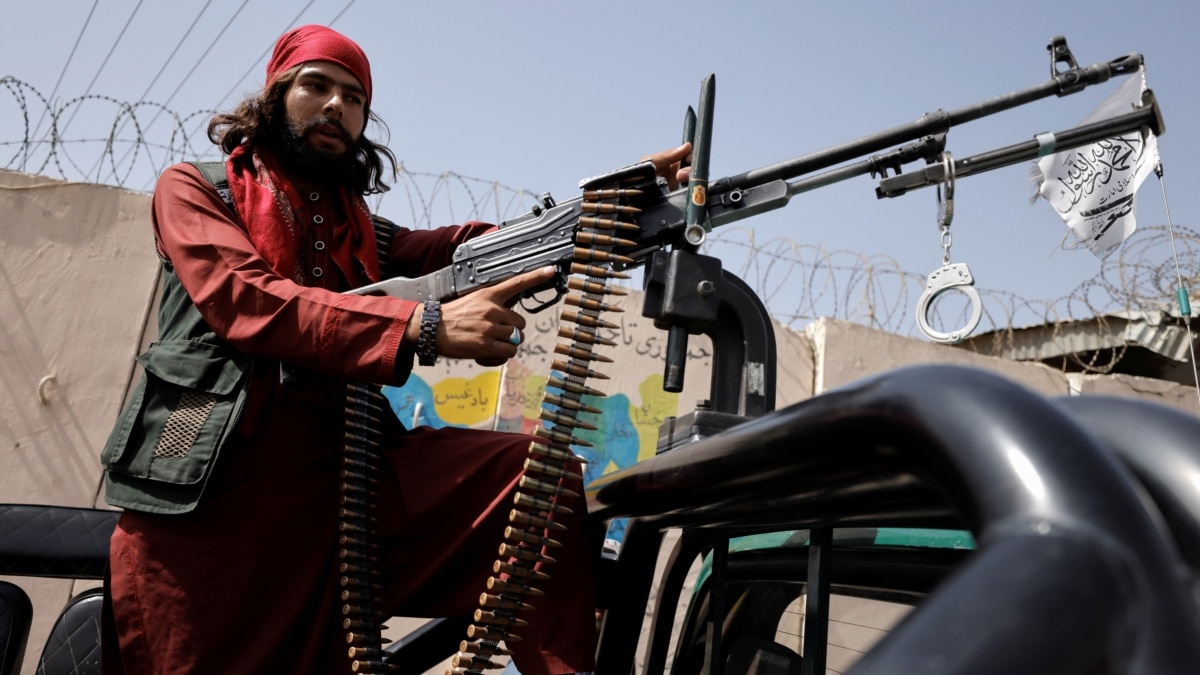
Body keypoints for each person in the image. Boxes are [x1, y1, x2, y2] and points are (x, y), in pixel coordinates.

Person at [98, 24, 690, 675]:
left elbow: (471, 249)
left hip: (346, 487)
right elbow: (249, 300)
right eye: (316, 86)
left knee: (534, 480)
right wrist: (421, 327)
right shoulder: (196, 191)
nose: (336, 106)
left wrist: (610, 201)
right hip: (217, 499)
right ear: (273, 94)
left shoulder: (366, 234)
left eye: (353, 97)